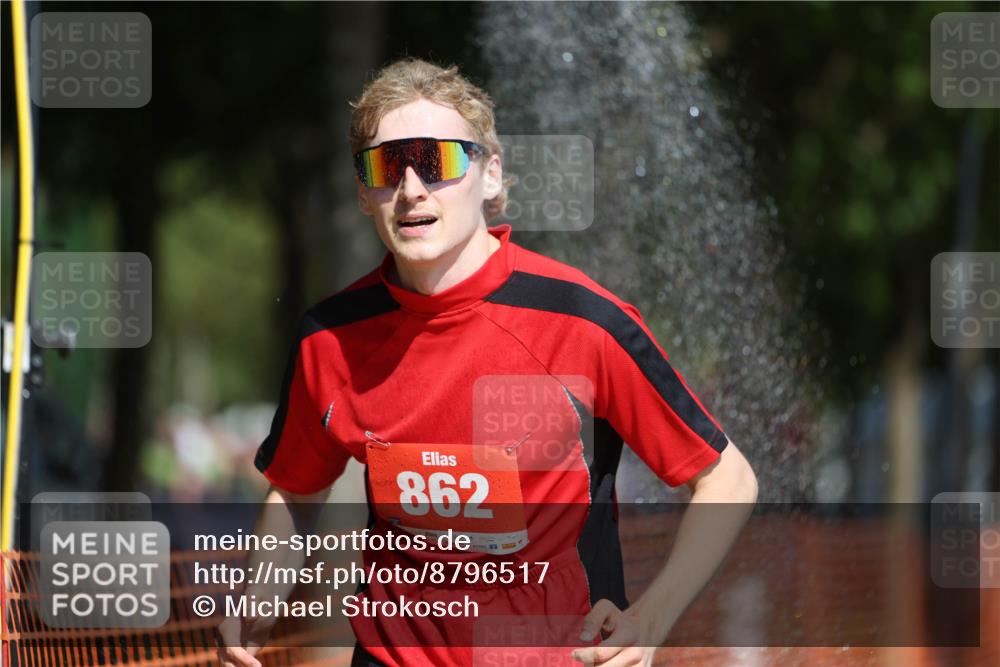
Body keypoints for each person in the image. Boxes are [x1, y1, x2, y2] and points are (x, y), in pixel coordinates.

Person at [217, 57, 757, 667]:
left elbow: (728, 480)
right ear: (365, 194)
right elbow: (296, 490)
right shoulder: (330, 338)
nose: (411, 189)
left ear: (491, 173)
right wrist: (258, 593)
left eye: (436, 161)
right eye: (386, 167)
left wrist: (652, 619)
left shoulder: (583, 320)